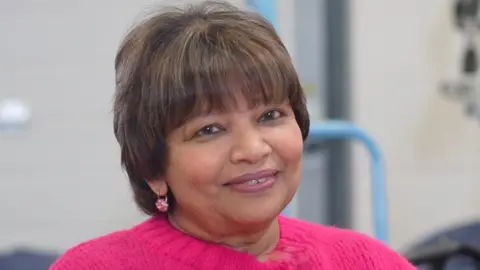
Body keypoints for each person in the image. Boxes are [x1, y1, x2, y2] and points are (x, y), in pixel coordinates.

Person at [50, 1, 415, 269]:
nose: (253, 149)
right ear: (153, 169)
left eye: (270, 115)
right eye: (209, 130)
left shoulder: (365, 262)